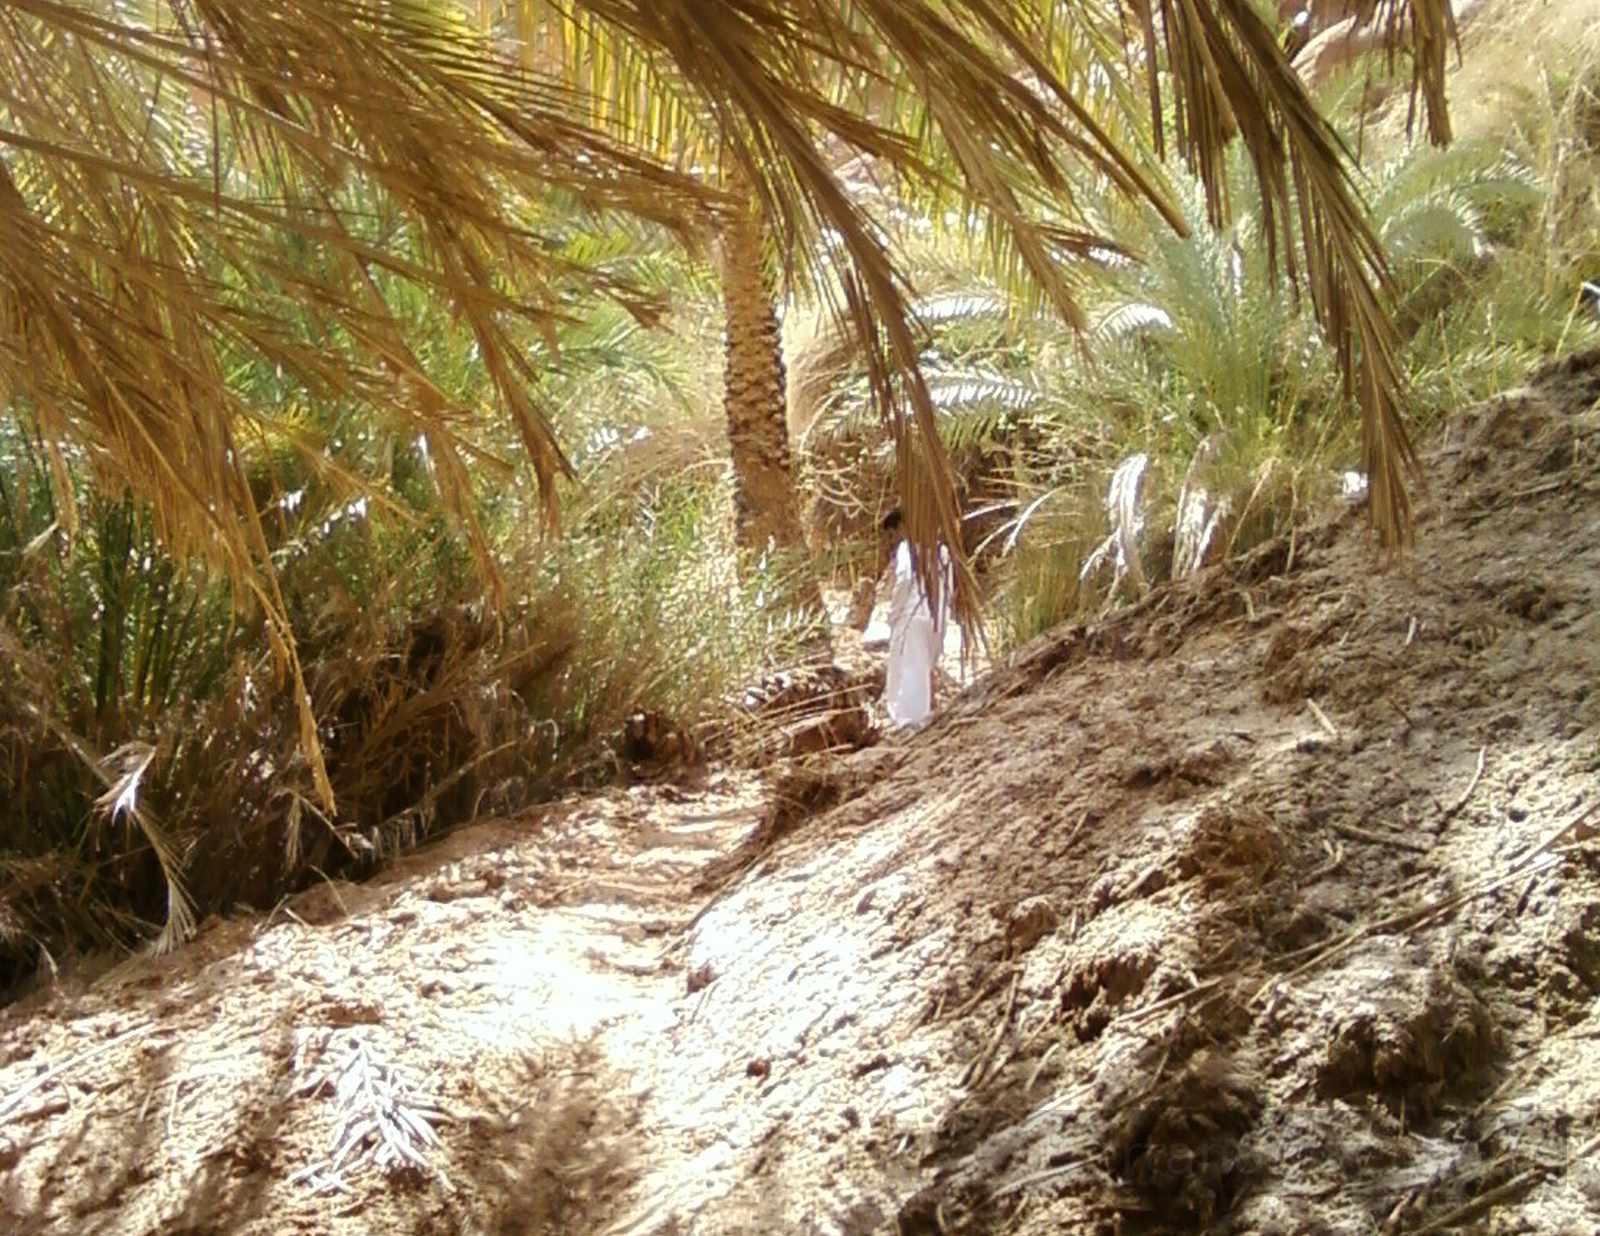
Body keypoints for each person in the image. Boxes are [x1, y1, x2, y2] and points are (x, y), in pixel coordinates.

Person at [879, 508, 952, 730]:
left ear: (901, 527)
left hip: (911, 615)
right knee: (921, 667)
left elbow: (903, 581)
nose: (894, 541)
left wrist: (894, 614)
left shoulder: (907, 548)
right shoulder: (942, 549)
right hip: (935, 616)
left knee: (908, 668)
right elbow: (948, 589)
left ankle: (908, 720)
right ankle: (919, 715)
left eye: (893, 534)